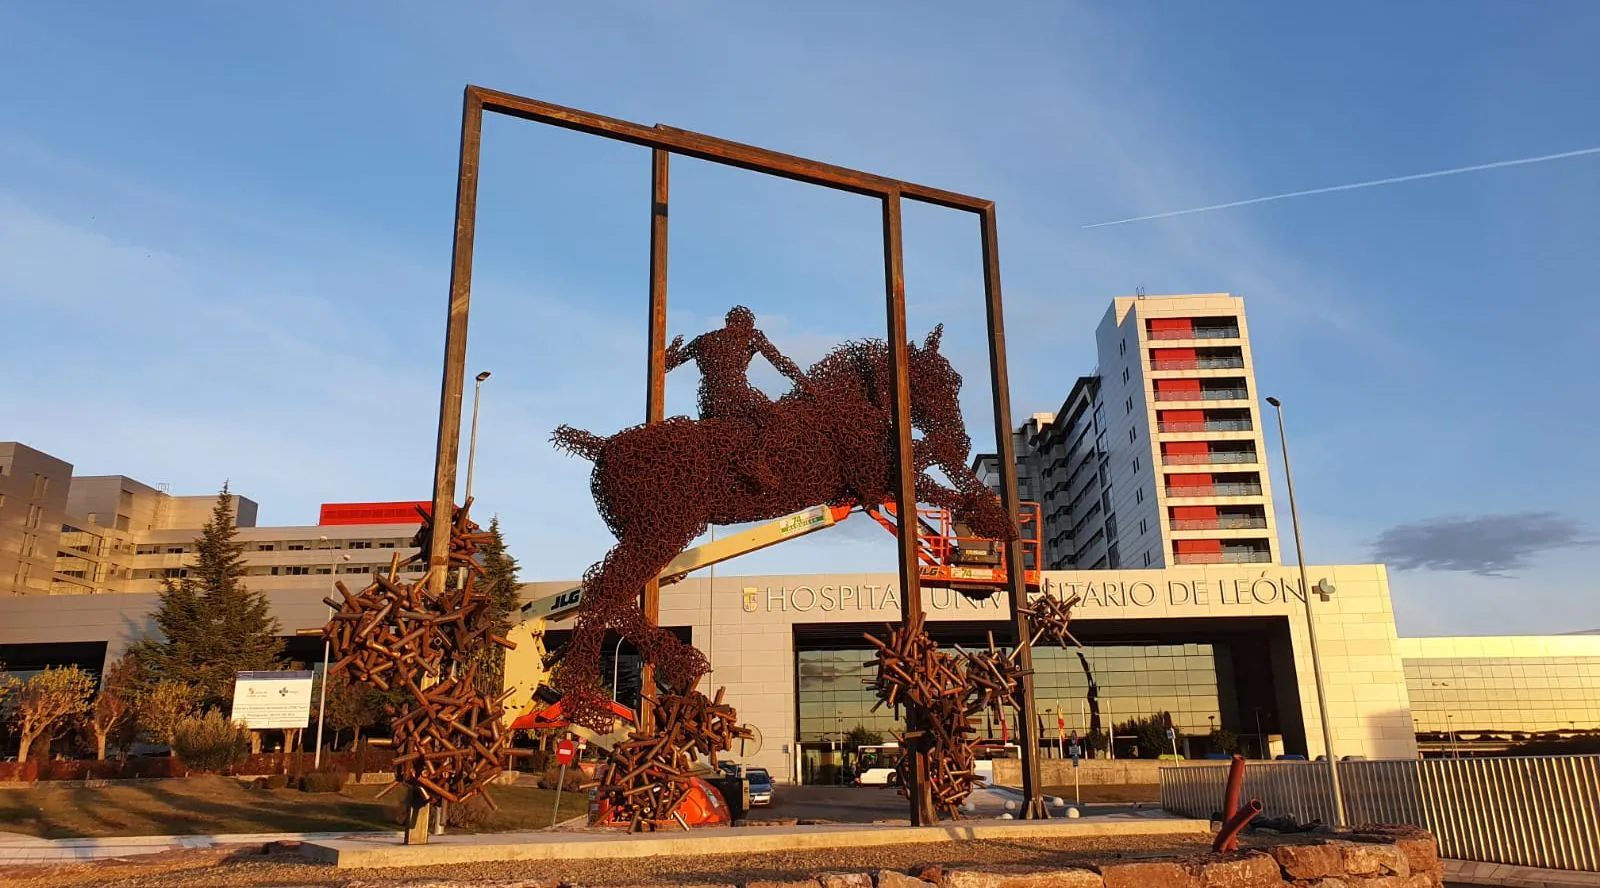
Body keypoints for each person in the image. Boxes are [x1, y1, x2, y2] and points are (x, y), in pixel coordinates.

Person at [666, 305, 807, 492]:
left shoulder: (703, 340)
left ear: (728, 321)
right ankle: (755, 459)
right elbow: (780, 362)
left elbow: (667, 364)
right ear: (747, 324)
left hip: (710, 402)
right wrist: (806, 385)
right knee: (780, 421)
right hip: (736, 395)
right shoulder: (751, 335)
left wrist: (672, 348)